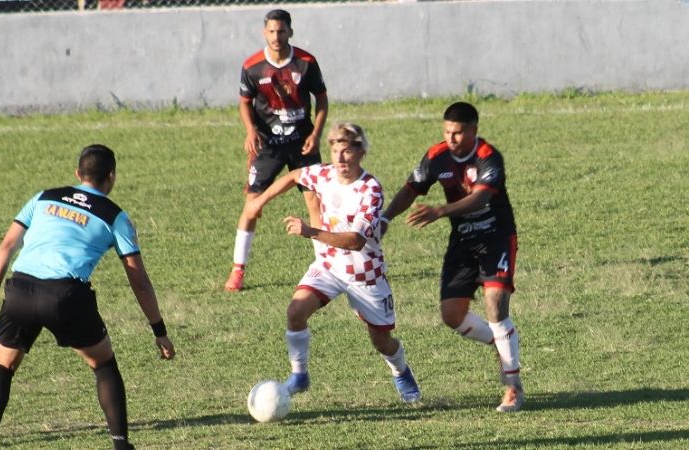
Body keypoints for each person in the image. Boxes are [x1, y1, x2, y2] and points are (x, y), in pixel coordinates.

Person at [0, 145, 176, 450]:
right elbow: (140, 282)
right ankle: (121, 445)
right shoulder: (115, 217)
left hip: (21, 291)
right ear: (111, 177)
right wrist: (159, 331)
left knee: (2, 366)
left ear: (77, 174)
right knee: (104, 365)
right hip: (65, 296)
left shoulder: (44, 197)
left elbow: (5, 248)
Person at [244, 123, 421, 403]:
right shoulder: (325, 174)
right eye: (335, 151)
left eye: (347, 151)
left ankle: (400, 371)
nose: (339, 159)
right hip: (328, 265)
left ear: (360, 152)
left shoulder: (370, 190)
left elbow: (355, 241)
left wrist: (311, 232)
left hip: (364, 274)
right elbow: (294, 175)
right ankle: (299, 375)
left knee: (382, 341)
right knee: (295, 311)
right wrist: (259, 201)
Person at [380, 102, 524, 412]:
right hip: (463, 241)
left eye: (458, 132)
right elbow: (410, 188)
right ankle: (500, 346)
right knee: (451, 316)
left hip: (496, 237)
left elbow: (482, 196)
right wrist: (386, 218)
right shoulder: (436, 156)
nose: (451, 138)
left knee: (495, 306)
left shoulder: (488, 157)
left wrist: (441, 210)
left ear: (473, 131)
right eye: (447, 132)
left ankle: (512, 387)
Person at [224, 8, 329, 292]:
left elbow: (322, 100)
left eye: (281, 31)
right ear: (264, 32)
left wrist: (316, 134)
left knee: (314, 203)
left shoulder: (306, 63)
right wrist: (250, 130)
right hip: (268, 145)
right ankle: (238, 270)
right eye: (271, 31)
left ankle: (323, 267)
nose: (276, 36)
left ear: (290, 32)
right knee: (252, 207)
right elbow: (244, 101)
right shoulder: (252, 66)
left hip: (302, 142)